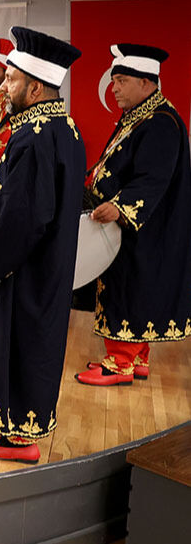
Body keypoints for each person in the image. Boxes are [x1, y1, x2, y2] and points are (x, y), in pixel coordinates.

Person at [0, 26, 84, 464]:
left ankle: (19, 440)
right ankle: (20, 429)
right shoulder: (63, 127)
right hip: (46, 268)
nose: (5, 86)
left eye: (11, 79)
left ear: (34, 87)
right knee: (37, 344)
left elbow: (26, 217)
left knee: (22, 346)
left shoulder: (35, 137)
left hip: (25, 270)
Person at [78, 44, 191, 387]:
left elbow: (151, 178)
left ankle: (120, 363)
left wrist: (122, 207)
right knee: (132, 288)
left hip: (142, 227)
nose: (113, 89)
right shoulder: (141, 116)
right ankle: (136, 358)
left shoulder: (160, 123)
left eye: (121, 81)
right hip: (134, 227)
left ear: (146, 82)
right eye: (113, 81)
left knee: (130, 288)